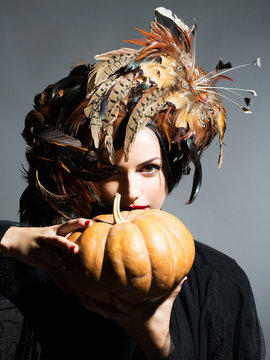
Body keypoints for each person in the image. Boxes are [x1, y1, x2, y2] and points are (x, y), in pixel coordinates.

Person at [0, 7, 265, 360]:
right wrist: (14, 238)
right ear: (83, 176)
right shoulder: (39, 266)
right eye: (110, 172)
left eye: (149, 168)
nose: (131, 192)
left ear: (168, 172)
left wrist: (163, 348)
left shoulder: (220, 283)